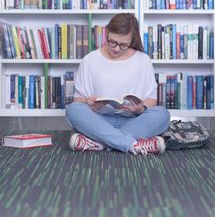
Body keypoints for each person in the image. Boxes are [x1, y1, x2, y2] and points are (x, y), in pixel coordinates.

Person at [66, 13, 170, 155]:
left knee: (162, 114)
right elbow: (78, 100)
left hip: (133, 122)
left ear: (132, 40)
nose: (116, 48)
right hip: (99, 121)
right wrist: (88, 102)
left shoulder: (143, 60)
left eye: (123, 45)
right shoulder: (90, 60)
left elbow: (152, 100)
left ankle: (99, 143)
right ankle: (131, 144)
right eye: (112, 42)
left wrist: (139, 109)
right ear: (107, 32)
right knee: (73, 110)